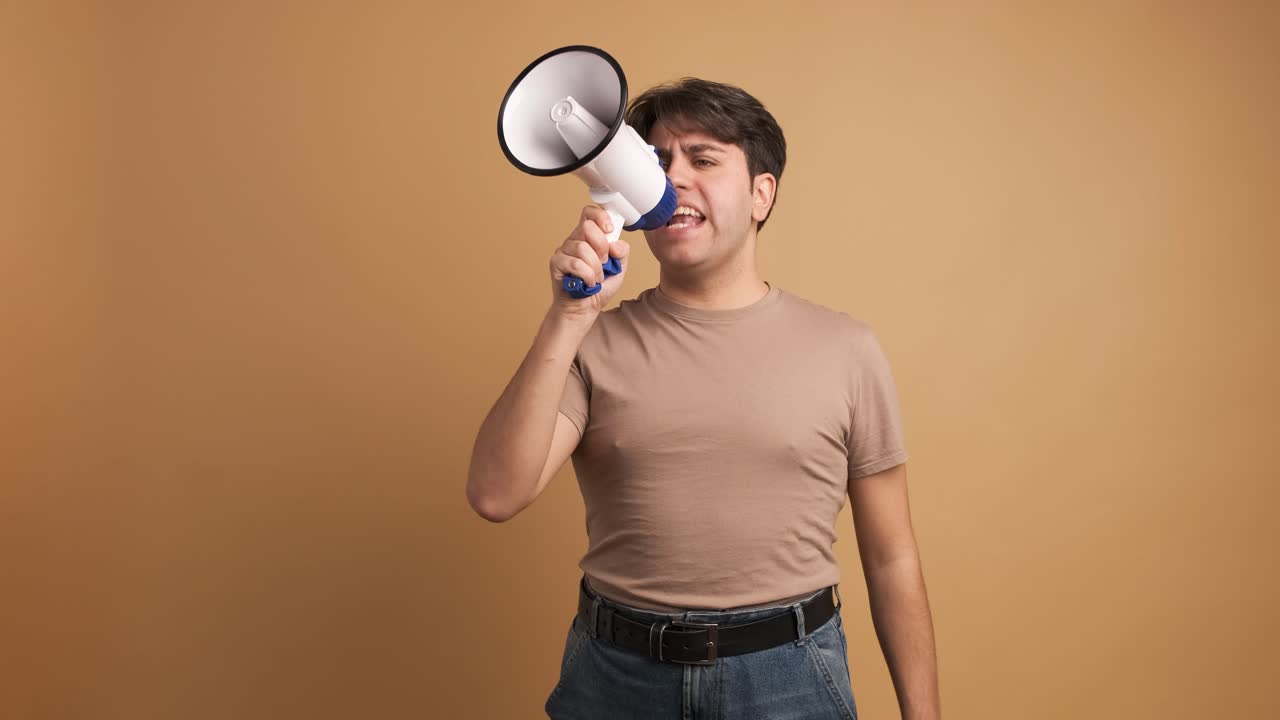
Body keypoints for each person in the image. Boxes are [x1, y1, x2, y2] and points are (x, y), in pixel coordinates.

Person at [467, 77, 941, 719]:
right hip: (616, 678)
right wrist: (567, 317)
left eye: (704, 158)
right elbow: (496, 493)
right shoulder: (592, 341)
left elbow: (892, 556)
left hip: (789, 677)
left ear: (760, 194)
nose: (674, 179)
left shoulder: (846, 349)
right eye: (657, 161)